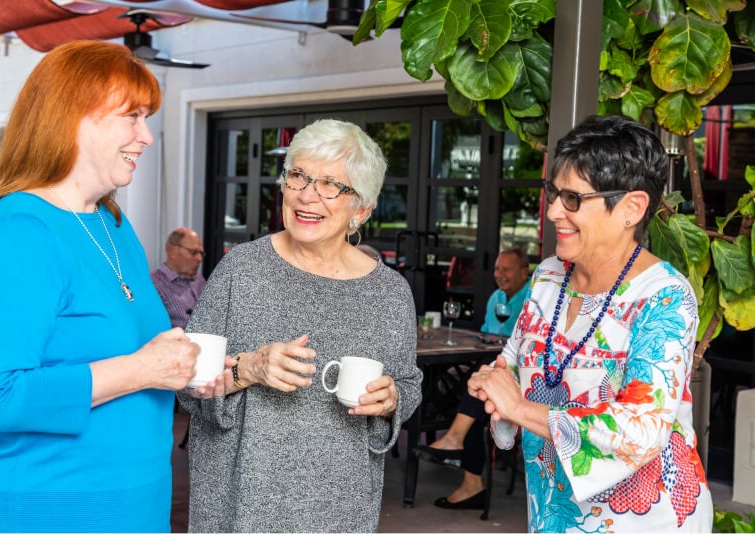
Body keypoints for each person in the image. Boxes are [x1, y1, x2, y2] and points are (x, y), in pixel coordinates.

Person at [0, 41, 200, 532]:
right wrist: (141, 370)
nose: (146, 137)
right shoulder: (19, 234)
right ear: (74, 119)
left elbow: (133, 351)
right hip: (43, 509)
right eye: (132, 117)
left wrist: (199, 367)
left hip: (131, 504)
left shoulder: (110, 223)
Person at [467, 115, 713, 532]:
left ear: (631, 208)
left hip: (645, 521)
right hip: (553, 510)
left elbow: (639, 431)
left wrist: (518, 407)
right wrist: (493, 382)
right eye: (553, 193)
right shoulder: (548, 276)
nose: (552, 212)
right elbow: (512, 362)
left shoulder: (664, 298)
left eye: (573, 199)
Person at [178, 119, 423, 532]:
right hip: (241, 505)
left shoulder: (390, 292)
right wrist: (249, 368)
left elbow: (408, 384)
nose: (307, 196)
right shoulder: (242, 270)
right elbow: (188, 378)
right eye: (298, 176)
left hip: (340, 509)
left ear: (360, 208)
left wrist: (392, 399)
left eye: (331, 184)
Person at [415, 248, 530, 510]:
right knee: (471, 390)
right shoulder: (496, 298)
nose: (500, 275)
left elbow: (521, 348)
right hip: (493, 370)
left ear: (525, 271)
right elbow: (488, 335)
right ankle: (465, 463)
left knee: (478, 388)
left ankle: (458, 445)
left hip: (522, 376)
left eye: (507, 269)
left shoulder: (535, 296)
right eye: (497, 269)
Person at [151, 227, 207, 329]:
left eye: (201, 253)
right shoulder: (153, 285)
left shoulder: (199, 281)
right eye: (193, 252)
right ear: (172, 251)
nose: (199, 258)